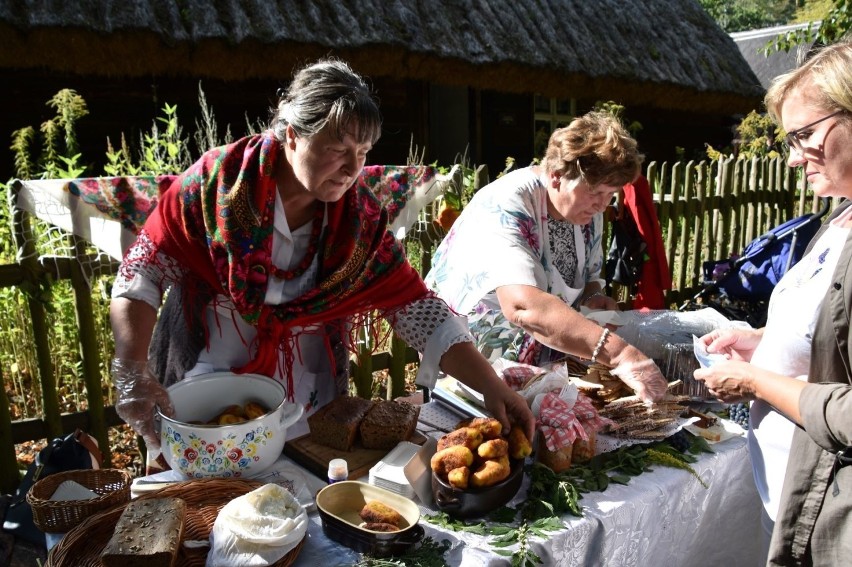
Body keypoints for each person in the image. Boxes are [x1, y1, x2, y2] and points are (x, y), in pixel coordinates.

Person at [109, 58, 535, 456]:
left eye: (364, 151)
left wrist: (491, 386)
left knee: (301, 503)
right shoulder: (215, 185)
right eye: (338, 147)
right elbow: (142, 270)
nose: (353, 168)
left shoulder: (360, 222)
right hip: (205, 382)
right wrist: (131, 371)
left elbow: (415, 307)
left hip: (309, 396)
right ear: (292, 134)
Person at [694, 39, 852, 567]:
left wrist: (756, 381)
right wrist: (762, 340)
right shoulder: (839, 220)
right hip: (795, 495)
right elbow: (834, 335)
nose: (790, 158)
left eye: (805, 135)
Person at [425, 111, 668, 402]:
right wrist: (619, 354)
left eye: (611, 195)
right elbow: (523, 307)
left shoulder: (587, 210)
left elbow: (590, 276)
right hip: (468, 364)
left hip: (530, 368)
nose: (603, 205)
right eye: (597, 193)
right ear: (557, 176)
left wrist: (592, 299)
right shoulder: (508, 204)